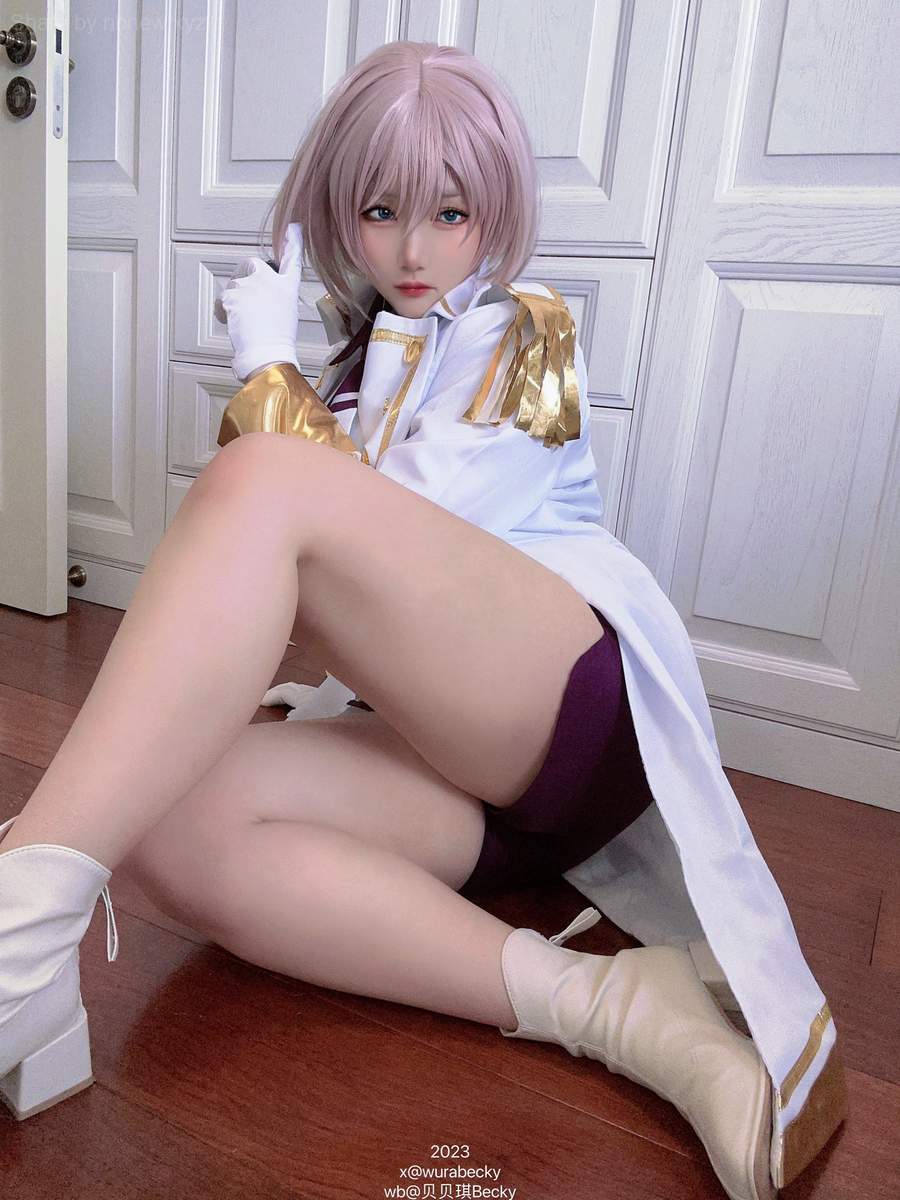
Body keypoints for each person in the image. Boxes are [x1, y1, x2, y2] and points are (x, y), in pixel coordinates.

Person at [0, 41, 844, 1199]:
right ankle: (613, 1008)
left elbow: (408, 528)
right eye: (380, 211)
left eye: (450, 214)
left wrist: (266, 372)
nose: (411, 251)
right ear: (336, 212)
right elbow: (309, 608)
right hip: (467, 781)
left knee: (262, 484)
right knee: (168, 825)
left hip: (571, 718)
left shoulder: (526, 332)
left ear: (496, 212)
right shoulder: (361, 370)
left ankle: (11, 934)